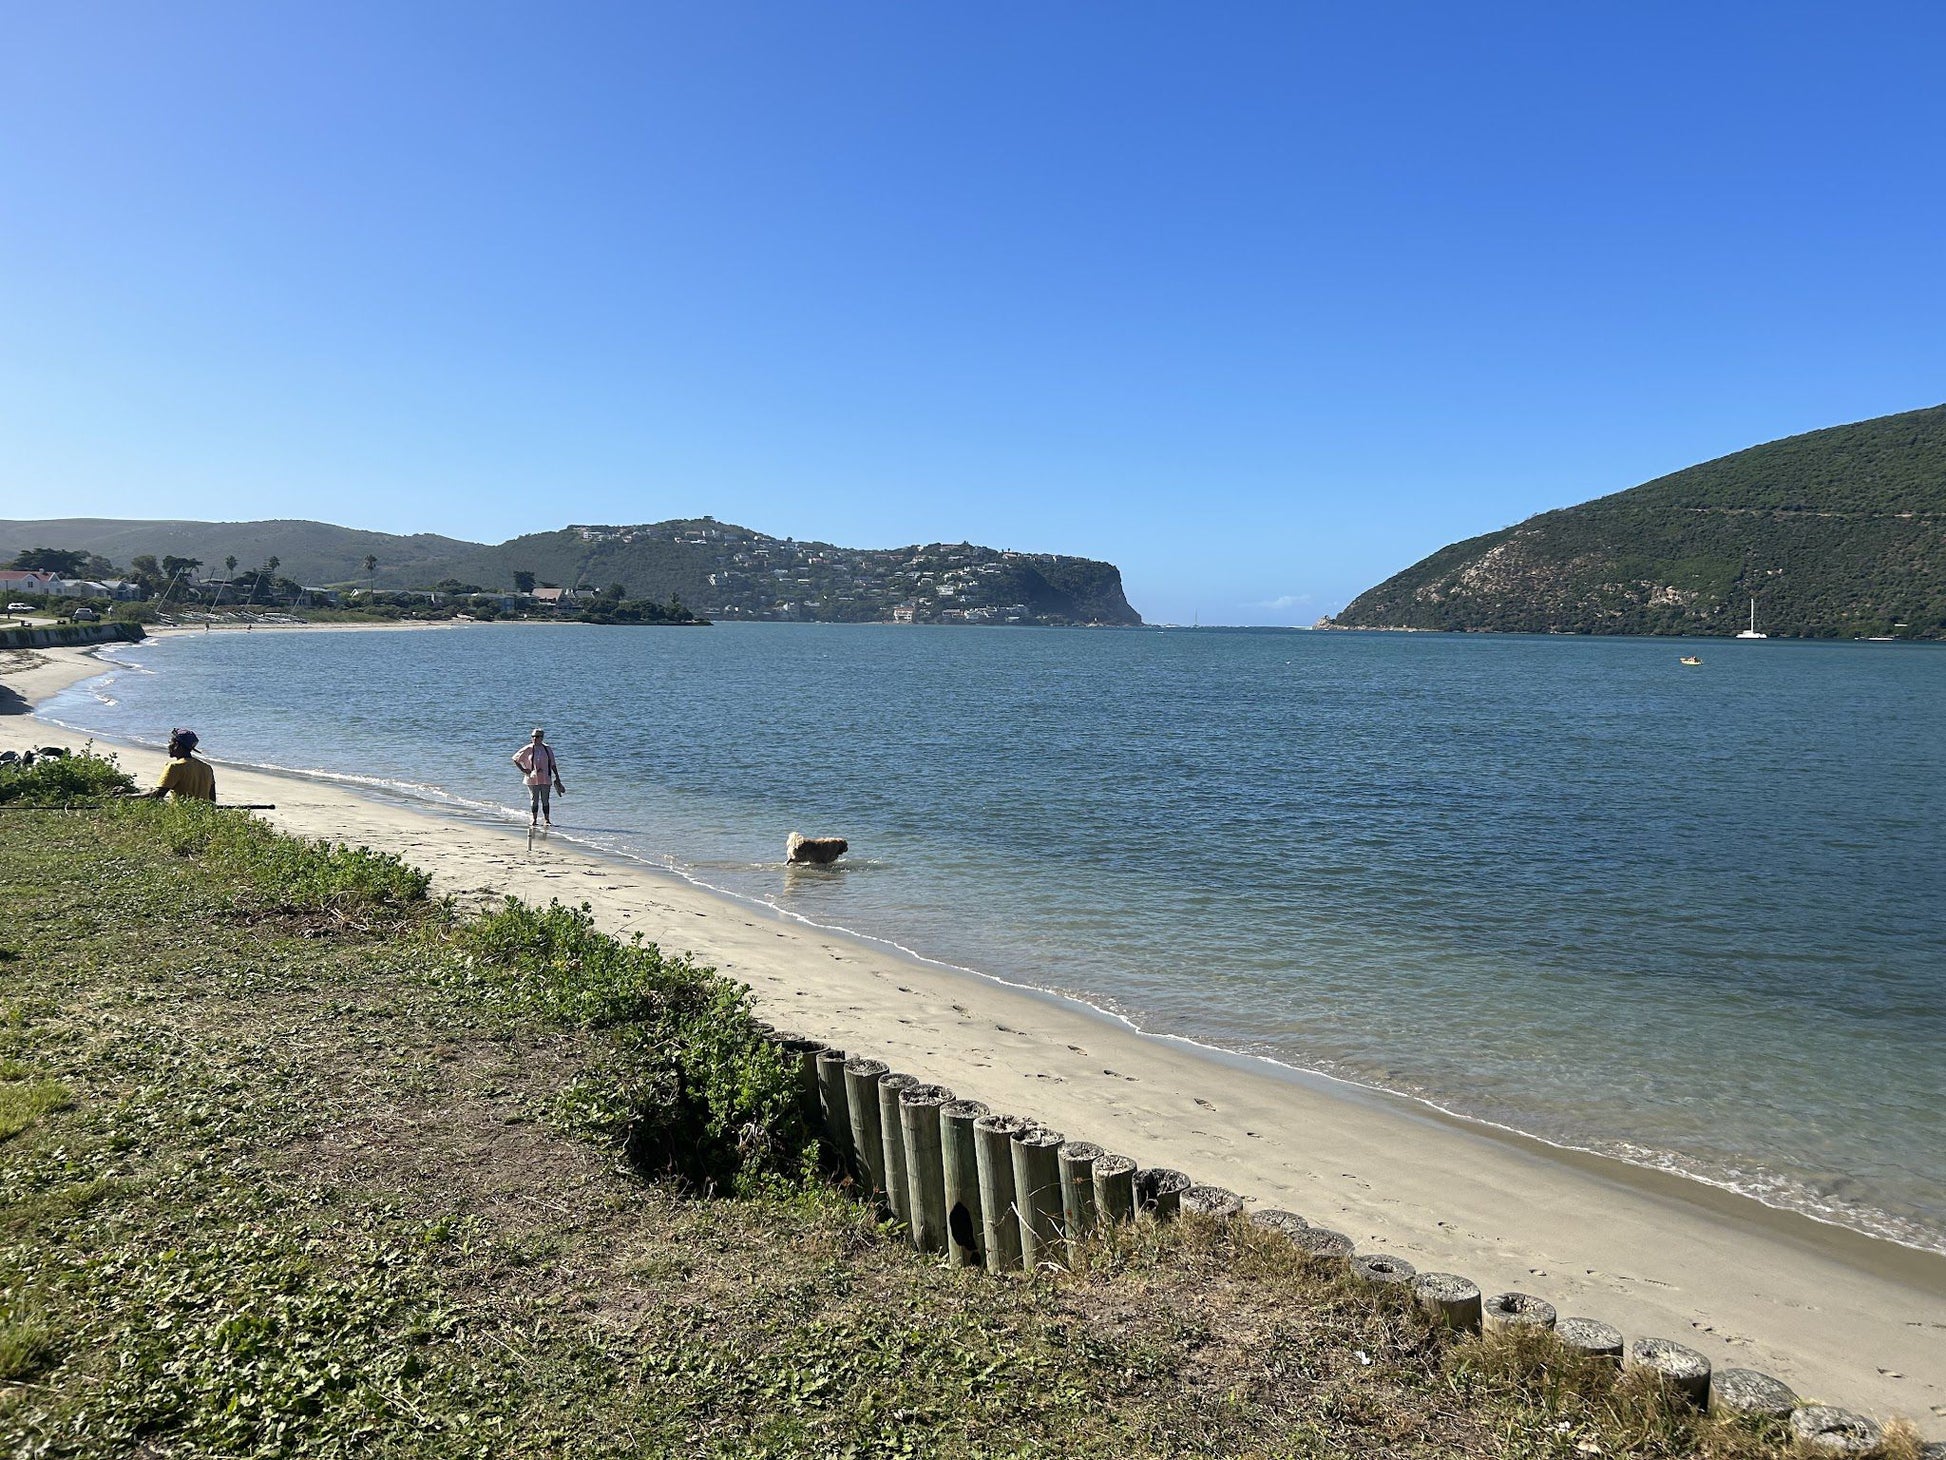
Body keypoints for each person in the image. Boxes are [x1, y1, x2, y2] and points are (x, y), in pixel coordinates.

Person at [142, 728, 217, 801]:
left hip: (180, 811)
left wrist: (131, 797)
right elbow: (212, 800)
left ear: (176, 745)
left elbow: (157, 796)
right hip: (202, 812)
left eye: (170, 742)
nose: (168, 746)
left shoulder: (175, 767)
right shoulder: (207, 768)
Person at [512, 727, 565, 826]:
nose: (534, 739)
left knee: (545, 799)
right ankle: (534, 820)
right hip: (532, 778)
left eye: (537, 737)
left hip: (545, 778)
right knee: (534, 799)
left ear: (542, 737)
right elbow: (515, 758)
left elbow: (553, 764)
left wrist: (557, 777)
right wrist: (523, 770)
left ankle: (547, 820)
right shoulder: (528, 748)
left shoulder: (547, 749)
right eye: (533, 737)